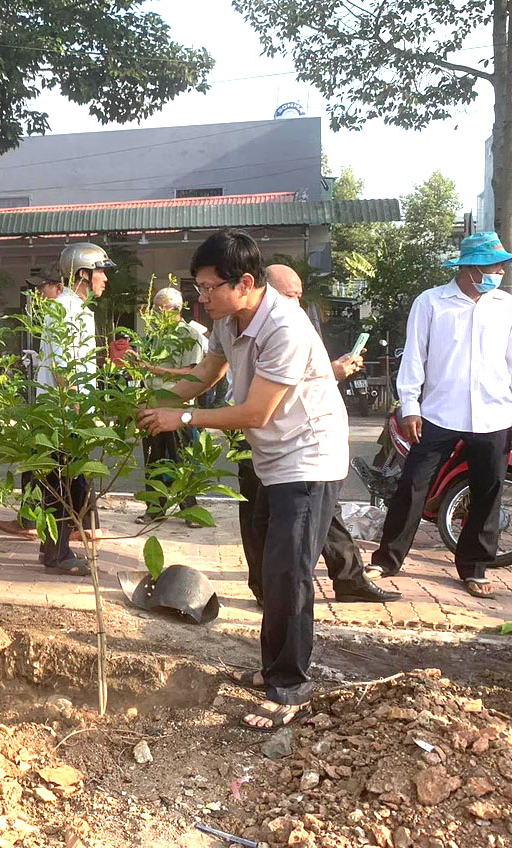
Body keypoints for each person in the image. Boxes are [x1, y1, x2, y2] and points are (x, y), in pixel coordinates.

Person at [138, 229, 348, 731]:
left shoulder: (286, 328)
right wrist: (158, 397)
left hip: (310, 457)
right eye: (198, 287)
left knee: (289, 571)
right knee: (267, 567)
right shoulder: (228, 321)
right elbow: (205, 376)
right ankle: (273, 668)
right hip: (271, 459)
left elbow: (254, 412)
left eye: (211, 287)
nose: (202, 297)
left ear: (246, 282)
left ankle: (290, 686)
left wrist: (182, 421)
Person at [366, 231, 512, 599]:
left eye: (502, 267)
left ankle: (475, 567)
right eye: (495, 266)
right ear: (471, 268)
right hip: (439, 413)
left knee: (487, 492)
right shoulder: (431, 303)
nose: (501, 273)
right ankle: (387, 559)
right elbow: (414, 358)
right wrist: (409, 405)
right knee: (412, 486)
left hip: (494, 415)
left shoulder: (505, 306)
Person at [236, 263, 398, 604]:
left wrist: (334, 371)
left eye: (298, 295)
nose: (295, 302)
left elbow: (302, 384)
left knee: (314, 512)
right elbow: (262, 396)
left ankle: (343, 577)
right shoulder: (250, 323)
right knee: (260, 518)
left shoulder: (290, 323)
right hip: (258, 432)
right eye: (289, 295)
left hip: (301, 445)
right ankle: (271, 589)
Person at [35, 242, 115, 575]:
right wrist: (78, 415)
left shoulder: (76, 309)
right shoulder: (66, 310)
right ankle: (58, 555)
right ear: (83, 274)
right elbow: (63, 369)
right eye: (100, 273)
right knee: (67, 484)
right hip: (64, 413)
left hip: (67, 411)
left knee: (65, 482)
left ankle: (53, 548)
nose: (105, 280)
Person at [0, 265, 62, 538]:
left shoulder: (60, 315)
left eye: (43, 286)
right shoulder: (57, 314)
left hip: (54, 407)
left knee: (36, 464)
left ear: (57, 286)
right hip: (51, 403)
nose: (39, 293)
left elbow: (60, 365)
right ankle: (85, 524)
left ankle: (29, 521)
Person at [137, 285, 208, 525]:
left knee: (181, 457)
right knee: (153, 458)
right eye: (154, 309)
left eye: (160, 309)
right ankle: (155, 508)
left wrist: (156, 369)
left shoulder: (190, 335)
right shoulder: (153, 335)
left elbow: (192, 372)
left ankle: (190, 509)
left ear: (173, 309)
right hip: (152, 403)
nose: (156, 313)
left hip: (177, 404)